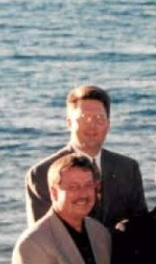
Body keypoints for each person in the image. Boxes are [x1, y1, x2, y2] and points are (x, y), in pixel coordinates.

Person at [26, 84, 146, 228]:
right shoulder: (41, 173)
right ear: (69, 123)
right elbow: (42, 237)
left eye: (99, 118)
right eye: (84, 118)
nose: (92, 125)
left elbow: (141, 226)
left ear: (108, 125)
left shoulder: (127, 168)